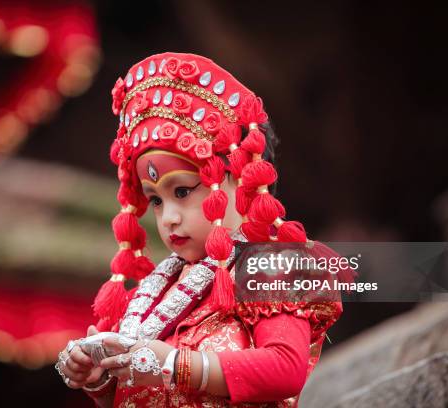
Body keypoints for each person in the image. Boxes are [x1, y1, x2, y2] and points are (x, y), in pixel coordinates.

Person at [55, 52, 354, 407]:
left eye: (182, 191)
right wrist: (101, 379)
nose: (168, 218)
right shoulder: (154, 293)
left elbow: (285, 368)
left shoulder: (267, 265)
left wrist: (171, 363)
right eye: (156, 200)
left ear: (241, 180)